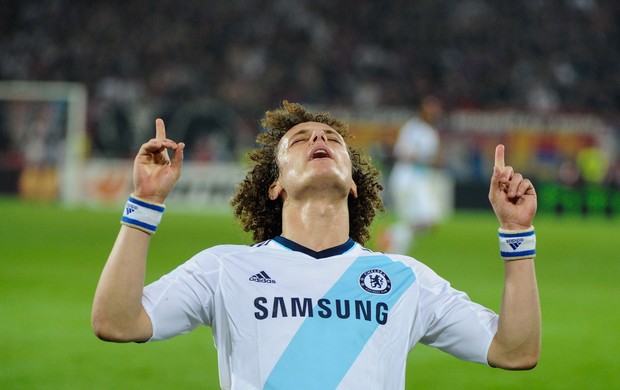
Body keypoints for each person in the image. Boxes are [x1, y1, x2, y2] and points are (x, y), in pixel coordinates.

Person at [91, 101, 541, 389]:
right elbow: (116, 321)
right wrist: (145, 203)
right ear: (275, 186)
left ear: (355, 186)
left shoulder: (407, 280)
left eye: (332, 139)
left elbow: (515, 351)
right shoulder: (225, 269)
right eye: (300, 140)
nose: (319, 140)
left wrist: (517, 236)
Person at [385, 95, 444, 254]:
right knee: (422, 218)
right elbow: (402, 152)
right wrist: (426, 159)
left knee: (425, 221)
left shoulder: (430, 132)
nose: (433, 112)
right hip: (408, 176)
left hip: (419, 178)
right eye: (429, 109)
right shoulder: (413, 128)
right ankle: (395, 249)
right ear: (422, 110)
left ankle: (394, 237)